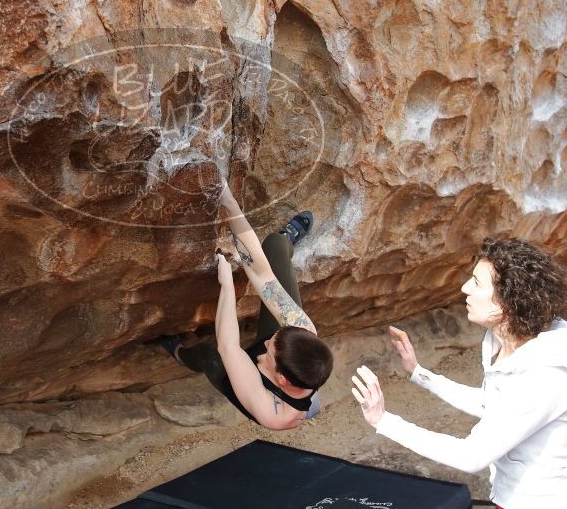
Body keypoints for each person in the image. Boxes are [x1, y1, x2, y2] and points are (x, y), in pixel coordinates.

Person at [351, 237, 567, 509]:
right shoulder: (500, 340)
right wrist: (419, 373)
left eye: (476, 283)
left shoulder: (546, 376)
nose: (464, 287)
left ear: (504, 305)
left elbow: (472, 456)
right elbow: (491, 405)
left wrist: (383, 421)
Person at [160, 181, 333, 430]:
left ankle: (179, 353)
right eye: (274, 338)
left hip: (248, 383)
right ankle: (285, 242)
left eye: (270, 348)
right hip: (275, 363)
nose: (265, 341)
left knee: (210, 356)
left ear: (281, 380)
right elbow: (262, 275)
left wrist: (227, 286)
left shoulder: (272, 412)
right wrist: (229, 202)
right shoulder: (303, 331)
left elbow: (228, 345)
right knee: (274, 245)